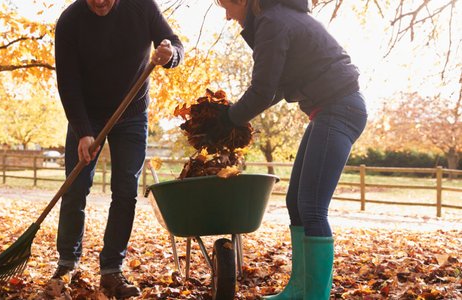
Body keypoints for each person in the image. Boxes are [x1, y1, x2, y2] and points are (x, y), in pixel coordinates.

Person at [212, 0, 367, 299]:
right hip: (329, 108)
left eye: (227, 6)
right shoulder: (278, 18)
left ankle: (315, 295)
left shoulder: (273, 21)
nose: (228, 15)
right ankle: (300, 288)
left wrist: (229, 118)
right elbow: (277, 89)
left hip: (340, 107)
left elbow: (262, 91)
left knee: (312, 207)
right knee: (296, 201)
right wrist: (234, 115)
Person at [53, 0, 184, 298]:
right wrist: (84, 131)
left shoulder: (142, 7)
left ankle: (112, 270)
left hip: (132, 113)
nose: (99, 2)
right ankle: (66, 263)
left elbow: (175, 43)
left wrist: (170, 55)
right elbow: (68, 82)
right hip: (87, 113)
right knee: (75, 188)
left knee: (125, 192)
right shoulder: (70, 21)